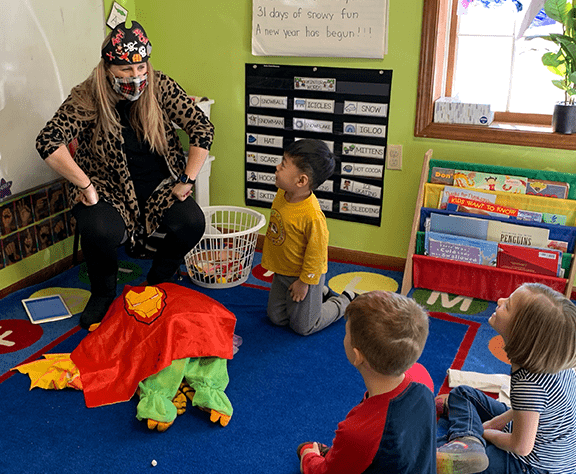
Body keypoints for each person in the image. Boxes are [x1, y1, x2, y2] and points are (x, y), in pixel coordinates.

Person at [36, 21, 213, 329]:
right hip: (108, 188)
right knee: (99, 228)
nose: (136, 77)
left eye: (141, 68)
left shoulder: (160, 86)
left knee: (192, 222)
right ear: (107, 67)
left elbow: (201, 127)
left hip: (158, 185)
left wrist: (188, 178)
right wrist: (85, 185)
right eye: (126, 71)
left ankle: (161, 276)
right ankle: (103, 293)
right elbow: (48, 140)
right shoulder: (88, 95)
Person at [436, 283, 576, 474]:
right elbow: (530, 408)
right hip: (534, 432)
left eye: (507, 306)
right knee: (462, 392)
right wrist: (493, 425)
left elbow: (521, 447)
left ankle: (468, 438)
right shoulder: (549, 360)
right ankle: (468, 439)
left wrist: (485, 433)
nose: (499, 301)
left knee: (445, 458)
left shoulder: (529, 384)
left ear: (522, 334)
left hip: (533, 466)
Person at [297, 290, 436, 473]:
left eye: (346, 332)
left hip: (369, 445)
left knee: (305, 449)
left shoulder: (357, 432)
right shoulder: (421, 376)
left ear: (357, 356)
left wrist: (309, 456)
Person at [261, 139, 354, 336]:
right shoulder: (283, 193)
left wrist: (304, 283)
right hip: (283, 272)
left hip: (305, 275)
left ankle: (343, 301)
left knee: (304, 327)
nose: (277, 167)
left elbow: (317, 255)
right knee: (276, 318)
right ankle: (318, 295)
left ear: (301, 181)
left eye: (284, 164)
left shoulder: (312, 216)